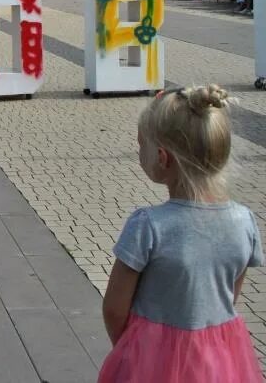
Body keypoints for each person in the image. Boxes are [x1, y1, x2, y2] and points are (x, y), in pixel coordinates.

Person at [99, 85, 263, 382]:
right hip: (220, 357)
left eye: (141, 145)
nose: (139, 153)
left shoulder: (147, 225)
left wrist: (133, 349)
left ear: (162, 157)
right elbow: (228, 296)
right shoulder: (245, 221)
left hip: (151, 356)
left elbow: (114, 307)